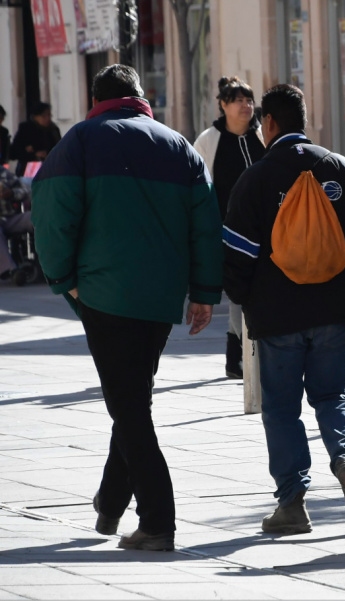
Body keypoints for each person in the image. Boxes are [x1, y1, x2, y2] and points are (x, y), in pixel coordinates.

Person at [31, 65, 223, 551]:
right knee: (134, 396)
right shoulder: (178, 146)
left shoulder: (79, 141)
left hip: (103, 295)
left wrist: (62, 282)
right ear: (139, 97)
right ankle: (111, 502)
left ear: (98, 98)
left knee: (129, 406)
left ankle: (158, 520)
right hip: (159, 299)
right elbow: (205, 222)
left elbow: (51, 215)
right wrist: (203, 292)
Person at [223, 84, 345, 534]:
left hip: (276, 317)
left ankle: (292, 504)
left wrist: (246, 298)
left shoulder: (254, 179)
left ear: (269, 124)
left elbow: (235, 256)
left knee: (281, 407)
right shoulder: (342, 169)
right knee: (333, 394)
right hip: (334, 311)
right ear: (304, 119)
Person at [194, 76, 266, 379]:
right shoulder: (209, 141)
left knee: (249, 293)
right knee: (240, 292)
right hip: (227, 233)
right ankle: (240, 356)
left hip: (263, 230)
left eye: (249, 100)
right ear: (223, 105)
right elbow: (198, 188)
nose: (246, 106)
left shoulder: (261, 136)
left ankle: (235, 358)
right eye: (238, 100)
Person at [0, 164, 33, 280]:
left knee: (36, 217)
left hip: (9, 218)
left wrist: (11, 193)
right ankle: (11, 270)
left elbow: (26, 191)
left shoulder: (4, 173)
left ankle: (53, 262)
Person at [10, 102, 61, 176]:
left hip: (50, 169)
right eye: (43, 116)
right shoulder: (26, 129)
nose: (47, 118)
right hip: (30, 171)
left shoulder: (53, 130)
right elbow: (15, 152)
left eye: (49, 115)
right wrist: (34, 154)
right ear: (35, 117)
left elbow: (59, 147)